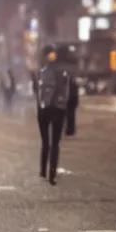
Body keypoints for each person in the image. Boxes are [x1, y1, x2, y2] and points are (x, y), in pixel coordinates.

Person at [36, 45, 71, 185]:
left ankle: (45, 171)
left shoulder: (42, 71)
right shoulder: (63, 72)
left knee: (46, 141)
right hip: (58, 108)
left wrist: (43, 104)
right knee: (54, 142)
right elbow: (66, 91)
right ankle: (51, 173)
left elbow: (40, 91)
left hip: (46, 108)